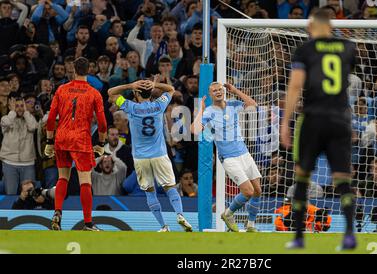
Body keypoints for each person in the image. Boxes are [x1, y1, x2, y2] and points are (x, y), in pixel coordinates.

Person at [280, 9, 357, 249]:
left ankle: (300, 237)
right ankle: (349, 235)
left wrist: (285, 123)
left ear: (311, 25)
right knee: (343, 180)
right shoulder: (348, 48)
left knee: (302, 177)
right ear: (330, 26)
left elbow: (295, 87)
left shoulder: (305, 50)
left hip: (313, 119)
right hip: (340, 119)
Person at [108, 78, 193, 232]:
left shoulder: (130, 106)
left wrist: (130, 84)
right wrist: (155, 85)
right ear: (150, 93)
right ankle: (180, 214)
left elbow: (111, 93)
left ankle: (163, 226)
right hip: (160, 154)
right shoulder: (159, 105)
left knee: (149, 191)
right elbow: (171, 89)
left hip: (141, 158)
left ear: (136, 93)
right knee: (169, 187)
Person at [45, 57, 107, 231]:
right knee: (84, 181)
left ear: (73, 69)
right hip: (81, 139)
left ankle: (57, 212)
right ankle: (87, 223)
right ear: (89, 70)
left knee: (62, 177)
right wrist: (101, 143)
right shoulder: (94, 93)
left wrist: (49, 141)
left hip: (62, 137)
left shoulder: (62, 89)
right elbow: (102, 123)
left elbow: (51, 118)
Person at [191, 82, 262, 232]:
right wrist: (200, 111)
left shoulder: (233, 104)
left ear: (223, 91)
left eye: (219, 89)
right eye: (214, 91)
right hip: (229, 158)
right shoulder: (209, 112)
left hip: (244, 153)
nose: (217, 92)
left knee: (257, 191)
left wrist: (235, 90)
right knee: (248, 192)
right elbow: (195, 131)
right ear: (210, 95)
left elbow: (253, 105)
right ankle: (228, 214)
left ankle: (250, 225)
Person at [0, 96, 38, 195]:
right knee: (11, 194)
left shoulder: (29, 118)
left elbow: (33, 127)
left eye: (22, 106)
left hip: (28, 163)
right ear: (12, 107)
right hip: (9, 163)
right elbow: (7, 122)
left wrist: (26, 112)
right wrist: (12, 111)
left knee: (30, 194)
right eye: (17, 106)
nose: (20, 108)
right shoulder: (6, 118)